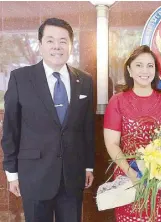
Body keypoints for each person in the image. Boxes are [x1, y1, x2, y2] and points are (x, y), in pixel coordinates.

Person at [1, 18, 95, 222]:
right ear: (40, 44)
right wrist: (11, 173)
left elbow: (88, 129)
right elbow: (10, 128)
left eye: (63, 41)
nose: (57, 46)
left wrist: (88, 166)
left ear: (71, 45)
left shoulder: (84, 80)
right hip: (34, 174)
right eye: (50, 40)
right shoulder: (21, 78)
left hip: (72, 175)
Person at [103, 45, 161, 221]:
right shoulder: (117, 101)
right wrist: (131, 174)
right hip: (129, 180)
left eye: (150, 66)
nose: (144, 70)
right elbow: (112, 144)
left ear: (155, 71)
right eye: (139, 65)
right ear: (129, 70)